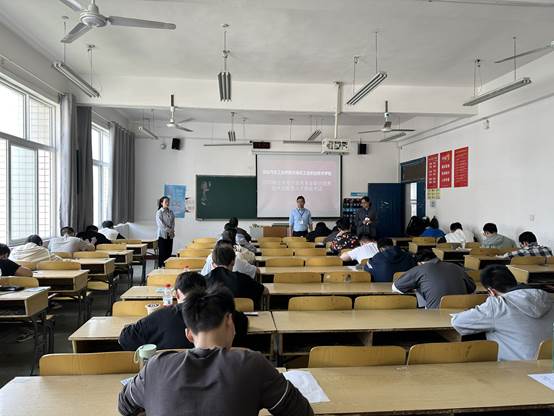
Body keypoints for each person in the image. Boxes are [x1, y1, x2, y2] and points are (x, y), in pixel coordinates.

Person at [118, 286, 313, 416]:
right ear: (230, 321)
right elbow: (301, 412)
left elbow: (124, 406)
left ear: (189, 334)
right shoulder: (253, 364)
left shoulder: (155, 366)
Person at [119, 271, 248, 351]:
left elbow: (126, 339)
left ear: (176, 294)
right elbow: (243, 325)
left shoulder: (160, 316)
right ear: (206, 291)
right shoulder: (224, 313)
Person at [451, 265, 554, 361]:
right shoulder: (549, 298)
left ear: (491, 292)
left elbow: (458, 322)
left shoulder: (498, 305)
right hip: (548, 365)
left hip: (518, 368)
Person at [392, 249, 476, 308]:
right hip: (462, 312)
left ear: (419, 263)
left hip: (435, 314)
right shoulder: (456, 267)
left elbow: (395, 287)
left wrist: (416, 289)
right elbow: (472, 288)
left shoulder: (419, 269)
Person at [206, 241, 266, 309]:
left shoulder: (203, 281)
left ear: (213, 264)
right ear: (233, 262)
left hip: (213, 315)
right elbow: (264, 291)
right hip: (241, 314)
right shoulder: (243, 278)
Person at [156, 195, 175, 268]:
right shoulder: (159, 212)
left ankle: (167, 267)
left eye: (168, 201)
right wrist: (169, 230)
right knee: (162, 253)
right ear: (161, 203)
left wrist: (171, 230)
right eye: (166, 201)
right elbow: (161, 225)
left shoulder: (171, 212)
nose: (167, 203)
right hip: (162, 235)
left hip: (170, 235)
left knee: (169, 252)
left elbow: (173, 223)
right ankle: (161, 267)